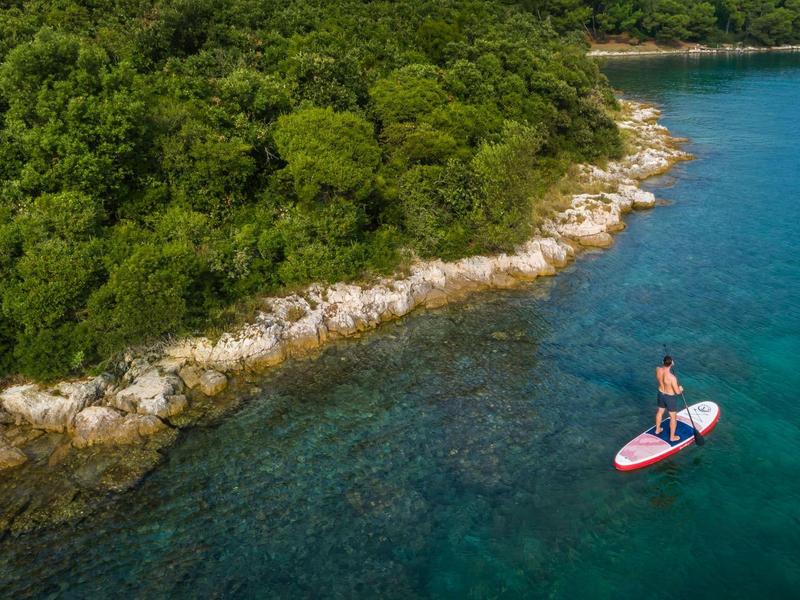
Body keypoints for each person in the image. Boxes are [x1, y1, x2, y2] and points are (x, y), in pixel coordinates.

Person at [655, 355, 683, 442]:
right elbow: (677, 392)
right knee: (673, 417)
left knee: (660, 412)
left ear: (663, 362)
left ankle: (657, 429)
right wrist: (681, 389)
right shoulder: (672, 378)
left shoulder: (658, 369)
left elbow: (662, 374)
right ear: (671, 364)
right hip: (670, 398)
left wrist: (669, 364)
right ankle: (672, 437)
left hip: (660, 393)